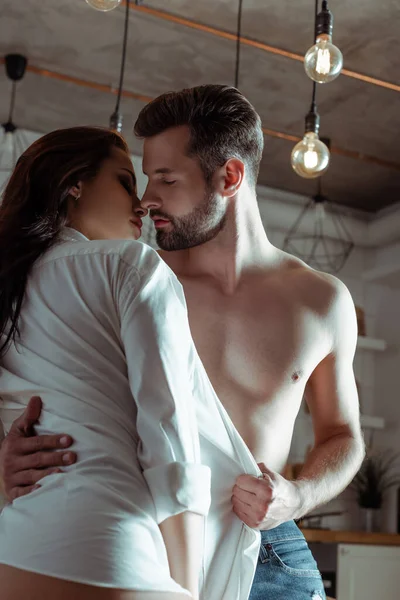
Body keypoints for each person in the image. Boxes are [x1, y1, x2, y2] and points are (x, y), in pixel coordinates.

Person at [1, 85, 365, 600]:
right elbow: (52, 382)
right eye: (143, 178)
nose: (146, 199)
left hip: (265, 549)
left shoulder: (322, 303)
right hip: (153, 537)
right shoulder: (129, 278)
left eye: (165, 179)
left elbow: (344, 435)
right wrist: (7, 457)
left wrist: (298, 494)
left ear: (230, 177)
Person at [0, 125, 262, 600]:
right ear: (72, 184)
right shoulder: (132, 266)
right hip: (113, 547)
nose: (142, 203)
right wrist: (187, 588)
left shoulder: (10, 289)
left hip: (14, 553)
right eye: (125, 181)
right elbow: (170, 437)